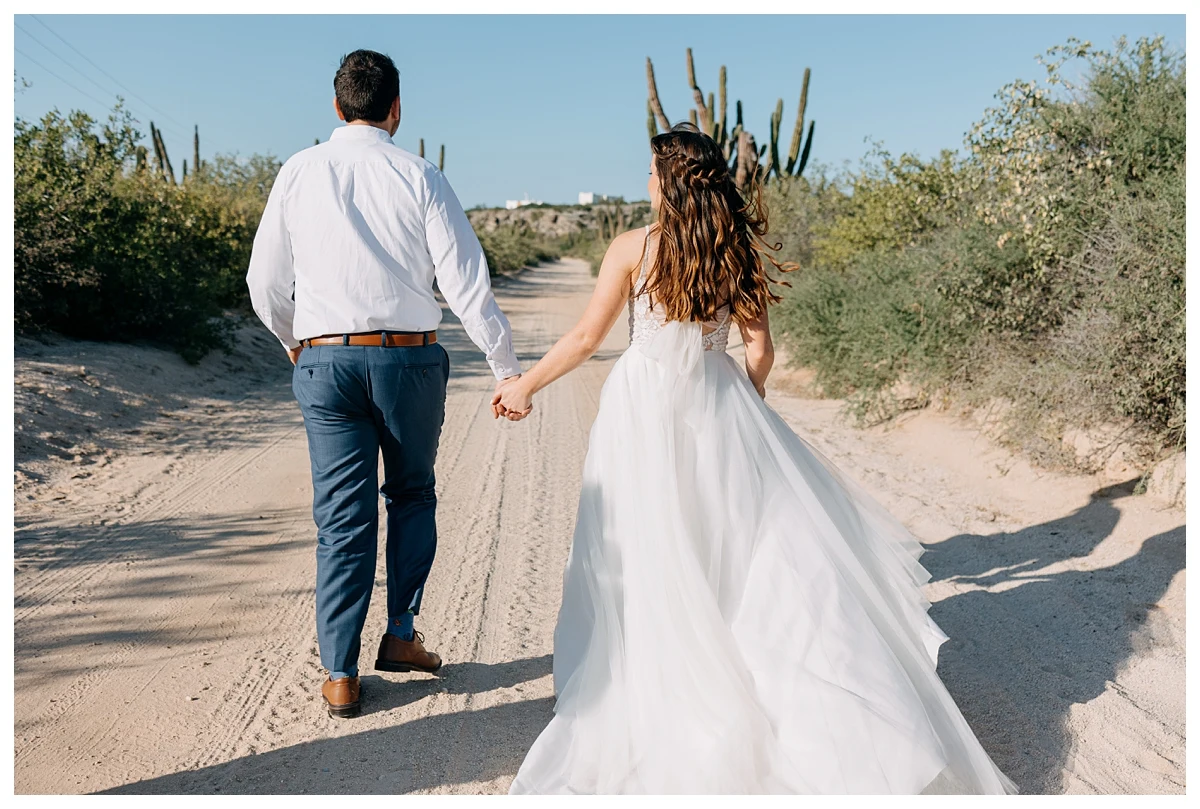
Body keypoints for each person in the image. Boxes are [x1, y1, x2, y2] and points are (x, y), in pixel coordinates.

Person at [494, 122, 1020, 794]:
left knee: (651, 550)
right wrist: (742, 401)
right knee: (747, 553)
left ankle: (663, 683)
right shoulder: (732, 247)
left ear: (671, 182)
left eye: (653, 172)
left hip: (644, 406)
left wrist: (523, 386)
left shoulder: (633, 248)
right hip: (720, 399)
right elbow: (761, 351)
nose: (647, 182)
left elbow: (584, 335)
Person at [246, 49, 524, 719]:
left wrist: (295, 342)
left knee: (341, 519)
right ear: (396, 109)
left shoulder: (298, 171)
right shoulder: (421, 174)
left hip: (325, 361)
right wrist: (505, 366)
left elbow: (262, 282)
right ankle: (401, 634)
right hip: (408, 361)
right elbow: (464, 282)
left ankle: (340, 673)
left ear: (337, 108)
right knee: (411, 493)